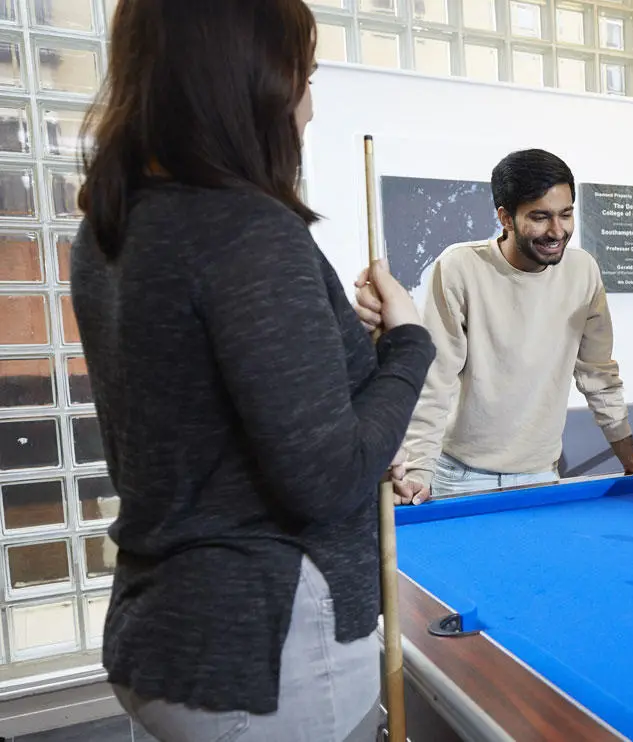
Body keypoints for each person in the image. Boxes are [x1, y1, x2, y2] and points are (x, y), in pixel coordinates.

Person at [70, 2, 435, 740]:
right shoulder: (247, 230)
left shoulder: (111, 225)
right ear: (248, 84)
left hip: (164, 636)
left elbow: (218, 419)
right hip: (267, 649)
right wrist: (408, 347)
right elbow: (326, 480)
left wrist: (350, 369)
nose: (307, 107)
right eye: (300, 78)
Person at [355, 149, 633, 503]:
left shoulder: (583, 271)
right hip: (460, 477)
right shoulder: (459, 267)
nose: (557, 230)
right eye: (540, 217)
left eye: (566, 214)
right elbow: (436, 380)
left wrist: (630, 458)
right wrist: (420, 471)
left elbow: (599, 375)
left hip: (542, 474)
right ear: (506, 218)